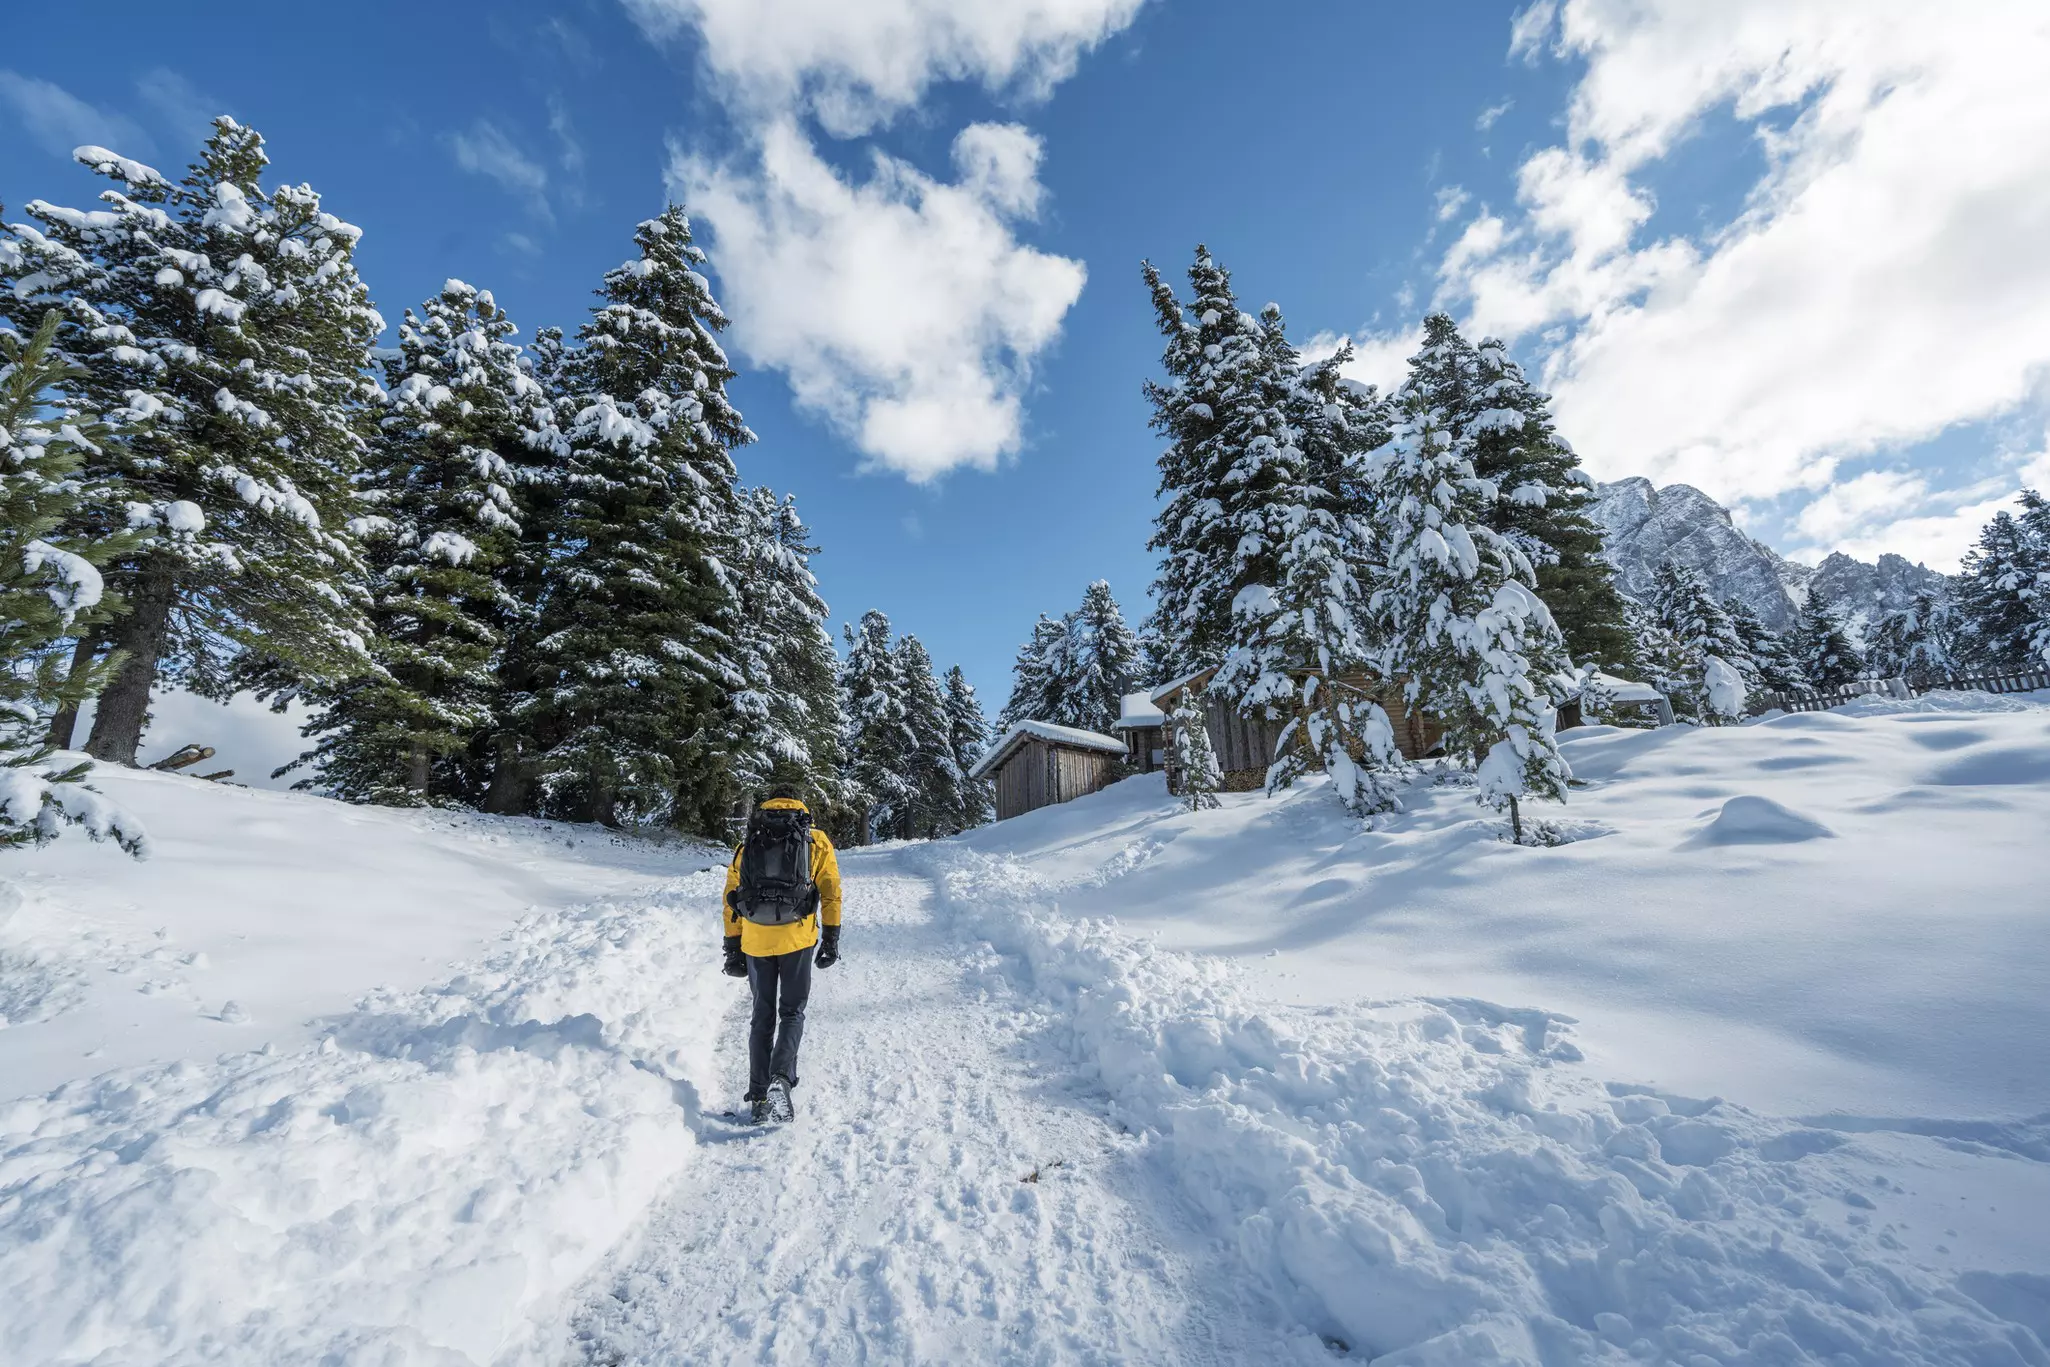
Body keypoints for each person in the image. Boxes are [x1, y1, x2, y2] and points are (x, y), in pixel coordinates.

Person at [723, 785, 842, 1124]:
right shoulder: (815, 840)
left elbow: (731, 896)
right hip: (797, 939)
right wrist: (831, 938)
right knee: (792, 1012)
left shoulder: (750, 839)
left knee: (762, 1016)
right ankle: (781, 1079)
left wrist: (732, 946)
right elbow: (832, 892)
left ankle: (759, 1097)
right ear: (800, 804)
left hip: (756, 939)